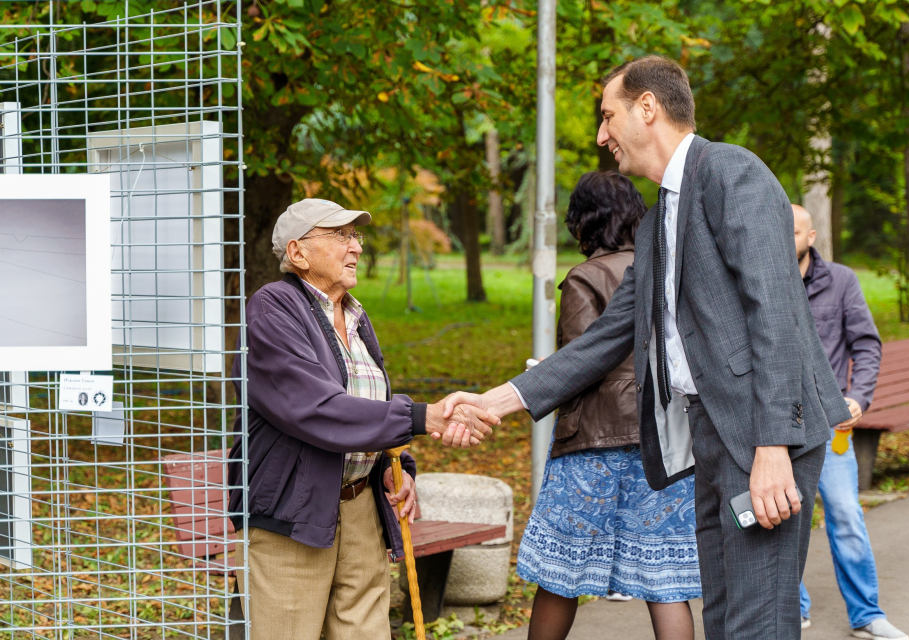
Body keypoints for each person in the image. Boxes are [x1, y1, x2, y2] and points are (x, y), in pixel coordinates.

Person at [443, 56, 851, 640]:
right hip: (711, 431)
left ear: (648, 108)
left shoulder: (733, 173)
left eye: (608, 116)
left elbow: (777, 313)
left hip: (763, 434)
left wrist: (772, 447)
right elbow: (607, 337)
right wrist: (494, 402)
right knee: (729, 618)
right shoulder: (659, 217)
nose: (601, 134)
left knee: (758, 621)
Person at [227, 198, 498, 640]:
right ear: (298, 253)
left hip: (360, 508)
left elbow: (369, 400)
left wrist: (398, 468)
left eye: (355, 236)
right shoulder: (272, 309)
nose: (355, 247)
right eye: (340, 236)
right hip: (292, 516)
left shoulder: (354, 316)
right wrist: (422, 417)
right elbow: (316, 408)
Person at [519, 172, 701, 640]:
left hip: (592, 444)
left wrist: (546, 368)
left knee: (561, 575)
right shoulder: (666, 269)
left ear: (584, 221)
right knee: (665, 582)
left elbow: (582, 360)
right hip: (663, 439)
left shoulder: (586, 276)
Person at [793, 205, 909, 640]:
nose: (786, 238)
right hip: (779, 426)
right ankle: (793, 606)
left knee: (845, 515)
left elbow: (867, 344)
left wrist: (858, 397)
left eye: (795, 231)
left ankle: (866, 615)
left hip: (830, 427)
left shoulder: (841, 281)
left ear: (812, 236)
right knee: (784, 521)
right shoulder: (764, 281)